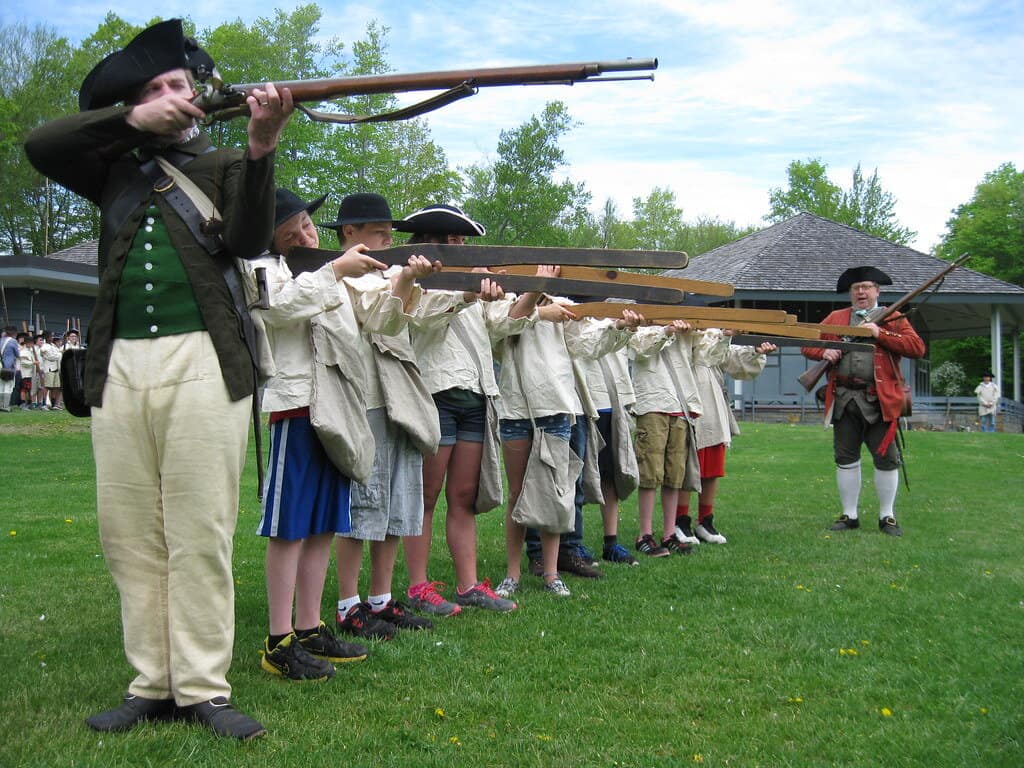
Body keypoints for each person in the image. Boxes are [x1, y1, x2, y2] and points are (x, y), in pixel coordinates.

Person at [25, 19, 292, 739]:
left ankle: (203, 685)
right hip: (119, 365)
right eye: (157, 89)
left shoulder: (224, 162)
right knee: (128, 533)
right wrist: (133, 120)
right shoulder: (110, 164)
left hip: (203, 359)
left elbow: (245, 240)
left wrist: (262, 146)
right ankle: (152, 682)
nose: (175, 95)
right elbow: (39, 144)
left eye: (180, 84)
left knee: (198, 529)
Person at [246, 189, 391, 681]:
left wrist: (406, 278)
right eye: (293, 232)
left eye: (307, 225)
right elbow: (276, 310)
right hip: (294, 404)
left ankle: (309, 628)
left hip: (336, 404)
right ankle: (278, 639)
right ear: (273, 238)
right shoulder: (261, 267)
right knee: (290, 525)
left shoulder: (329, 269)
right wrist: (332, 272)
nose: (306, 235)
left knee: (325, 520)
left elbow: (373, 322)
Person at [320, 193, 453, 639]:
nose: (386, 238)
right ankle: (347, 603)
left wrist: (467, 293)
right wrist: (405, 281)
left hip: (401, 398)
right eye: (377, 231)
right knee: (364, 507)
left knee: (398, 502)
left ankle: (379, 598)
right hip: (365, 398)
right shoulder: (337, 277)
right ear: (348, 234)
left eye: (388, 230)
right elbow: (381, 320)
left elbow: (420, 318)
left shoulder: (387, 274)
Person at [401, 204, 521, 615]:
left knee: (464, 496)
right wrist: (468, 292)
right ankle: (417, 587)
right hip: (436, 395)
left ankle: (468, 585)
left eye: (461, 240)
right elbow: (422, 320)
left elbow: (505, 323)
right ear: (429, 242)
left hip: (475, 397)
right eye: (451, 239)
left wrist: (532, 289)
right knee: (427, 496)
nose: (459, 245)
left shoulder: (474, 280)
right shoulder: (415, 280)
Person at [801, 266, 925, 537]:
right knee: (845, 457)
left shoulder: (892, 317)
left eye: (867, 287)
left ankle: (887, 516)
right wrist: (826, 351)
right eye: (856, 288)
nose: (861, 292)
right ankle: (849, 515)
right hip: (844, 397)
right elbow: (807, 345)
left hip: (880, 399)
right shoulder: (836, 318)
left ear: (877, 291)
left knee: (886, 458)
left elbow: (917, 347)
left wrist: (881, 334)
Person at [675, 331, 776, 545]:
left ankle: (705, 520)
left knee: (711, 465)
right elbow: (699, 352)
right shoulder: (680, 329)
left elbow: (729, 358)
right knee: (686, 464)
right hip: (685, 394)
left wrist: (755, 351)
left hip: (712, 401)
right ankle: (680, 520)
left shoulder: (714, 331)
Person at [628, 320, 701, 556]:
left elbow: (708, 354)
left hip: (679, 406)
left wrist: (727, 335)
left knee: (675, 474)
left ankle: (669, 533)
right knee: (650, 472)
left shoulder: (689, 329)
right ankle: (644, 534)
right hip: (652, 403)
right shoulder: (642, 325)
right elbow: (639, 349)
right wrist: (666, 331)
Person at [0, 327, 17, 411]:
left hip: (1, 365)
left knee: (1, 386)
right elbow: (17, 353)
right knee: (8, 386)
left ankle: (0, 405)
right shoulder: (13, 341)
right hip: (8, 366)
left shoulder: (1, 340)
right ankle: (5, 406)